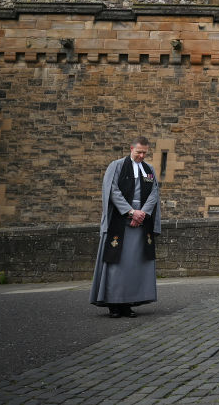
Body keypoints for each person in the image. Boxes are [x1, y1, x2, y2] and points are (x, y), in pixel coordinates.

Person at [89, 136, 161, 318]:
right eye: (139, 152)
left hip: (141, 223)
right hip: (120, 222)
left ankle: (128, 303)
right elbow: (113, 191)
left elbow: (154, 193)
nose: (142, 156)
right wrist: (131, 212)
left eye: (145, 152)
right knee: (117, 264)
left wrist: (142, 213)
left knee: (134, 264)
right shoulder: (117, 166)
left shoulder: (149, 169)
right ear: (131, 149)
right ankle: (114, 304)